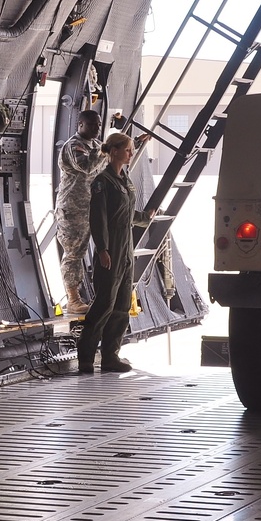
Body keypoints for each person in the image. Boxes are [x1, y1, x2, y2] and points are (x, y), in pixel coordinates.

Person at [77, 133, 154, 373]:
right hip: (111, 248)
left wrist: (144, 217)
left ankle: (111, 356)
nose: (131, 153)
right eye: (129, 149)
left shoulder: (124, 180)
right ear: (115, 151)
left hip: (126, 247)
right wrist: (102, 249)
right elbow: (98, 219)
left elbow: (127, 212)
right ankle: (86, 357)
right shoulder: (103, 181)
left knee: (121, 305)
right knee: (104, 304)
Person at [55, 110, 108, 313]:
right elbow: (87, 165)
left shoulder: (96, 145)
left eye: (99, 124)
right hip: (73, 208)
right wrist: (106, 150)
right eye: (92, 124)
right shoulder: (74, 145)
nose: (97, 128)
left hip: (91, 206)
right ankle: (73, 298)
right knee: (74, 253)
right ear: (80, 125)